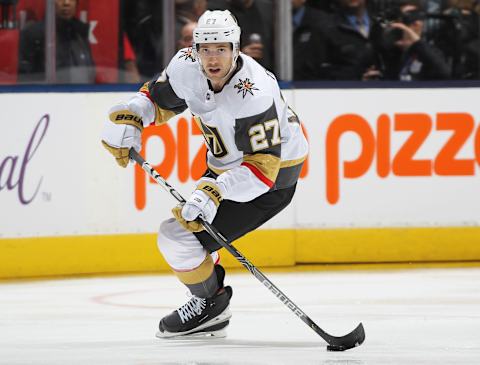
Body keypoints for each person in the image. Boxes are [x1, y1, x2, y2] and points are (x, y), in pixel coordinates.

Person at [101, 9, 308, 338]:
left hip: (271, 179)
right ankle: (210, 300)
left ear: (236, 49)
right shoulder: (187, 65)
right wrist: (133, 114)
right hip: (225, 164)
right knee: (190, 231)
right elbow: (159, 100)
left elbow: (263, 169)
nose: (212, 58)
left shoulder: (254, 93)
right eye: (206, 49)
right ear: (195, 50)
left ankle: (211, 305)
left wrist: (215, 190)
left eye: (221, 49)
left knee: (177, 237)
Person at [18, 0, 95, 83]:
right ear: (50, 3)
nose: (66, 3)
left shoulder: (80, 33)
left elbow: (89, 73)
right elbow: (25, 79)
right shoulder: (34, 34)